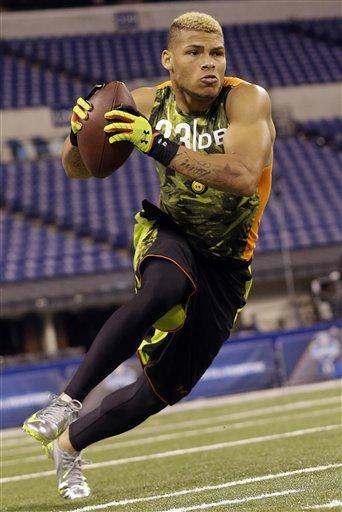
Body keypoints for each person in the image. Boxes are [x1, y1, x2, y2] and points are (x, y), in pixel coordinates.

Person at [22, 11, 275, 500]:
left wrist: (157, 146)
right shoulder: (142, 103)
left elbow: (244, 175)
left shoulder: (247, 99)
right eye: (195, 53)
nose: (209, 64)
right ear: (169, 60)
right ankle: (67, 401)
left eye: (217, 52)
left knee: (157, 393)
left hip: (227, 263)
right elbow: (79, 169)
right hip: (172, 231)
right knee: (163, 286)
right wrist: (78, 136)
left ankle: (69, 446)